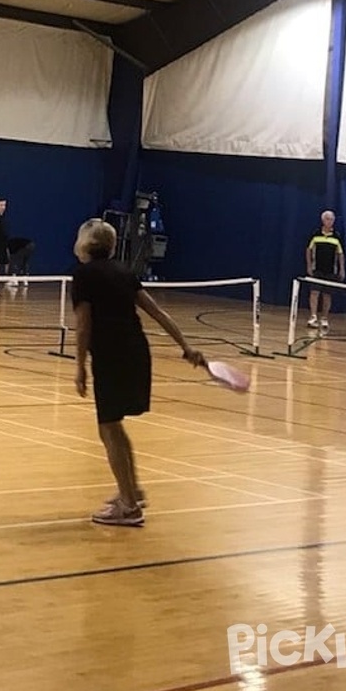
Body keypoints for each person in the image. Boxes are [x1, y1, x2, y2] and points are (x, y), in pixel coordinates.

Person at [71, 218, 207, 527]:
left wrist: (79, 366)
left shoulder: (84, 275)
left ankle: (130, 505)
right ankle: (131, 491)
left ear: (86, 243)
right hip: (136, 353)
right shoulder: (123, 271)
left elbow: (83, 325)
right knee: (113, 426)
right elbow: (158, 312)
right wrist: (186, 347)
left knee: (108, 428)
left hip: (111, 356)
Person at [305, 210, 346, 332]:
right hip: (317, 269)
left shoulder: (337, 236)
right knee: (314, 292)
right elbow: (308, 250)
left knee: (327, 295)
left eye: (332, 219)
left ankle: (324, 318)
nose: (330, 222)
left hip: (330, 270)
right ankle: (313, 317)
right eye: (328, 219)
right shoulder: (315, 234)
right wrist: (308, 266)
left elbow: (340, 254)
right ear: (323, 220)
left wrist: (342, 269)